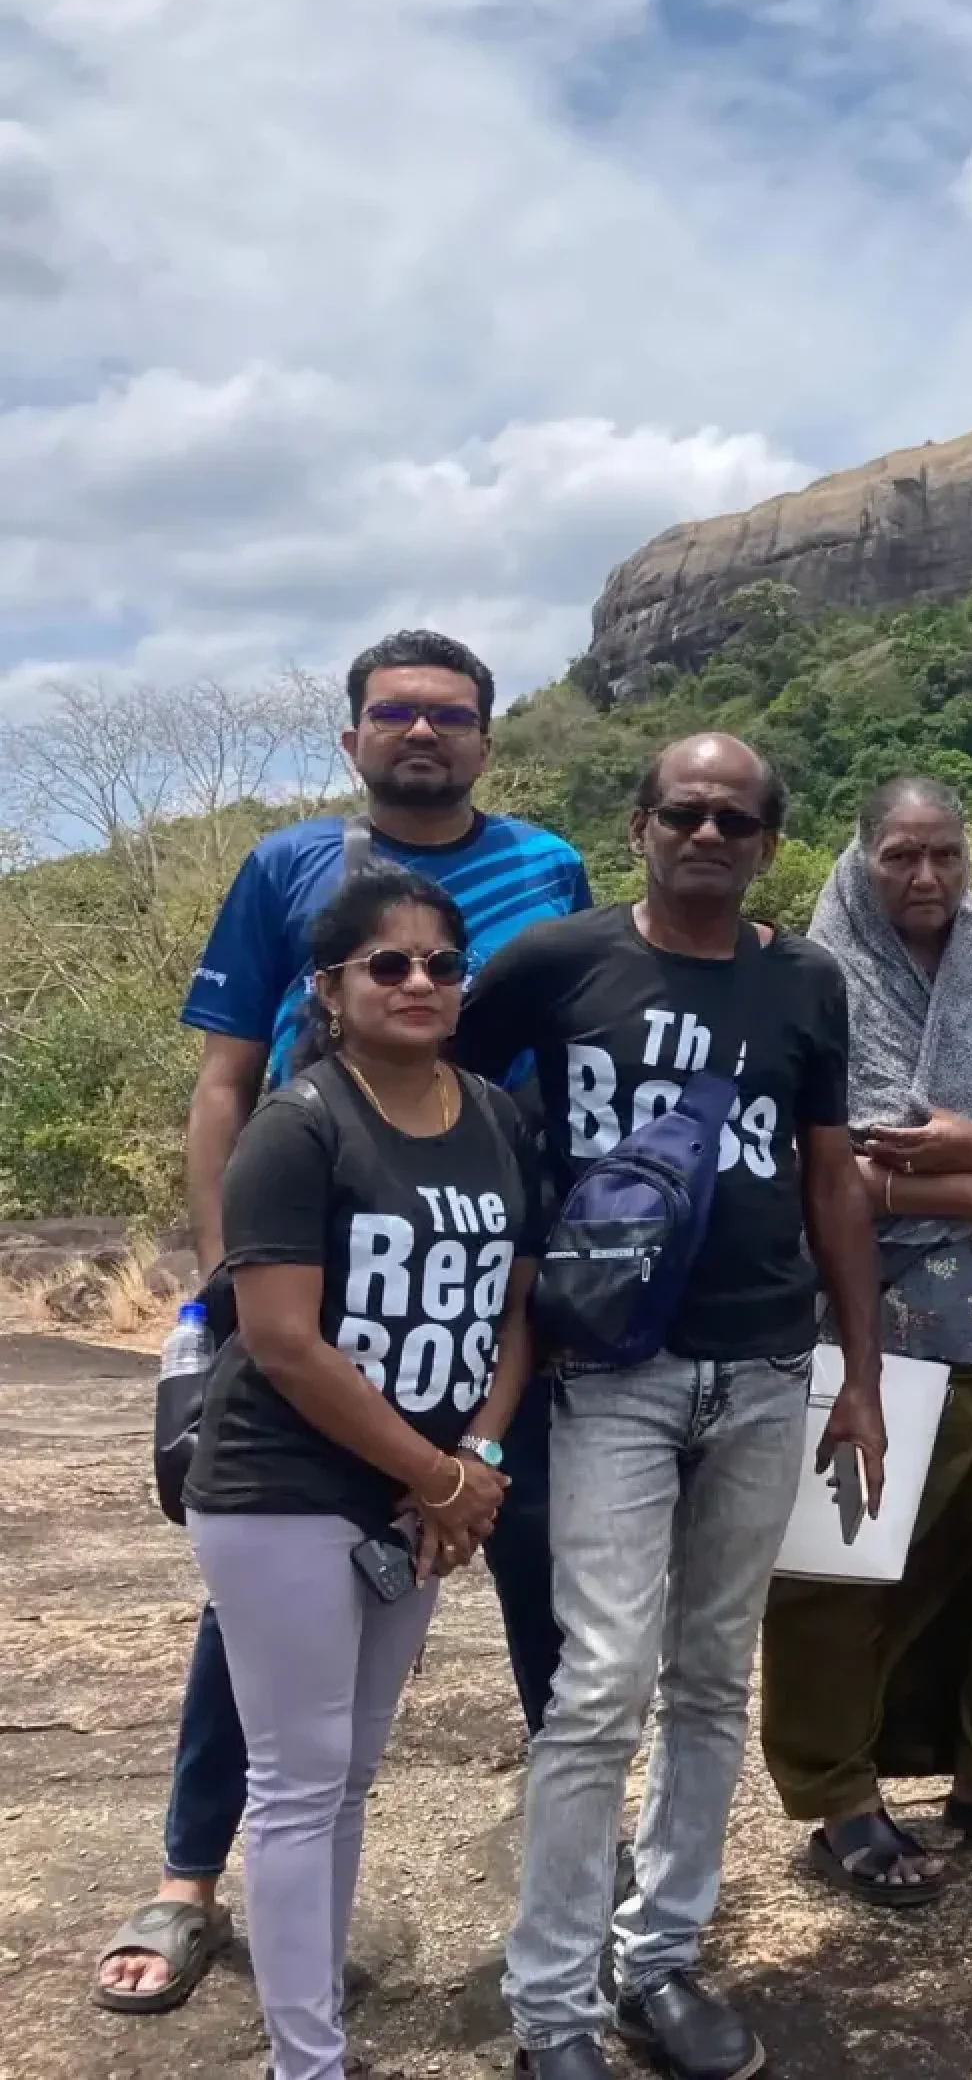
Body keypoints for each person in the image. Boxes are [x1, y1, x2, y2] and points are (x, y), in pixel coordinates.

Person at [95, 629, 591, 2020]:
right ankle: (192, 1873)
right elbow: (224, 1080)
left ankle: (574, 1846)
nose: (421, 734)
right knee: (262, 1598)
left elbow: (586, 1026)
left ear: (488, 737)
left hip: (476, 1284)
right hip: (316, 1283)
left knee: (531, 1557)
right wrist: (223, 1291)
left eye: (449, 715)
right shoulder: (284, 869)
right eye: (394, 713)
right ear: (352, 736)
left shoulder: (547, 869)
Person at [456, 733, 886, 2080]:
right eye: (685, 813)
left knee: (709, 1682)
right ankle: (552, 2013)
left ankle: (662, 1962)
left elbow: (831, 1180)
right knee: (599, 1687)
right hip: (609, 1375)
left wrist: (857, 1373)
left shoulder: (806, 985)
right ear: (639, 824)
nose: (709, 834)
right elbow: (448, 1101)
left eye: (737, 819)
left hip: (763, 1368)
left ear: (770, 842)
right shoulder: (558, 964)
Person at [183, 866, 543, 2080]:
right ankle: (306, 2062)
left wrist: (476, 1458)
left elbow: (514, 1311)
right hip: (284, 1484)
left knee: (347, 1779)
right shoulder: (300, 1126)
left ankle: (315, 2038)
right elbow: (280, 1337)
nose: (420, 983)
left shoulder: (499, 1117)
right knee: (295, 1780)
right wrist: (438, 1480)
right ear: (329, 990)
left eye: (442, 964)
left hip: (421, 1490)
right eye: (387, 965)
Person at [761, 777, 972, 1895]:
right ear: (862, 859)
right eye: (901, 856)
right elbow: (825, 1163)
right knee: (848, 1549)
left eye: (944, 855)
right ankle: (841, 1794)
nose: (925, 878)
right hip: (858, 1296)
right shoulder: (811, 975)